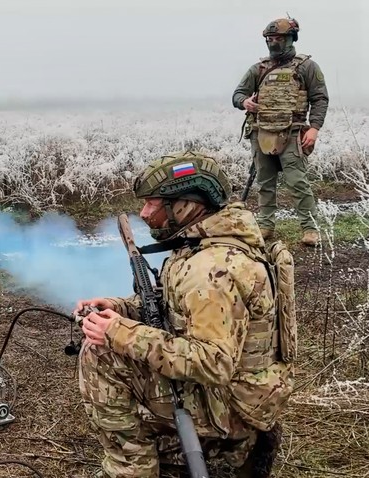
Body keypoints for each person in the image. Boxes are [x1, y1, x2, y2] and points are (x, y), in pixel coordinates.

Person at [75, 151, 293, 477]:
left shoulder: (211, 270)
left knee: (101, 355)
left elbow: (213, 362)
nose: (144, 213)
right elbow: (176, 308)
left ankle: (131, 468)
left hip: (231, 407)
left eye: (153, 204)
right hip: (243, 392)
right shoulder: (206, 241)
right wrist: (120, 308)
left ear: (186, 205)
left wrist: (119, 333)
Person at [232, 17, 329, 247]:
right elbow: (237, 94)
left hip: (292, 132)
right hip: (261, 132)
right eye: (270, 39)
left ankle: (309, 228)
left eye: (279, 38)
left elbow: (320, 98)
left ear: (291, 39)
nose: (274, 42)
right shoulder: (259, 69)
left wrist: (314, 129)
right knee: (264, 182)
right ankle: (265, 225)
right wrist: (245, 102)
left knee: (297, 182)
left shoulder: (306, 66)